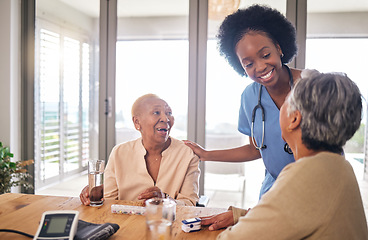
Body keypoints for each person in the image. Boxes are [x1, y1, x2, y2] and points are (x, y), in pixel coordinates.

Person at [204, 70, 368, 239]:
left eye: (286, 102)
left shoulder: (305, 174)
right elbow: (300, 215)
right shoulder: (339, 167)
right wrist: (243, 216)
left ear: (294, 119)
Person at [184, 4, 302, 199]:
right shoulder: (250, 98)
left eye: (266, 55)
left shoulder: (312, 84)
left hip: (316, 184)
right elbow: (255, 149)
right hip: (275, 191)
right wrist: (206, 154)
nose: (261, 67)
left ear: (279, 48)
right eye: (248, 64)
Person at [80, 94, 200, 206]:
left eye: (169, 113)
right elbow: (110, 201)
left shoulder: (187, 154)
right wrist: (96, 194)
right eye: (156, 112)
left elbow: (189, 203)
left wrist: (165, 200)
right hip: (125, 223)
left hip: (168, 224)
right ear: (137, 122)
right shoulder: (119, 153)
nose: (165, 118)